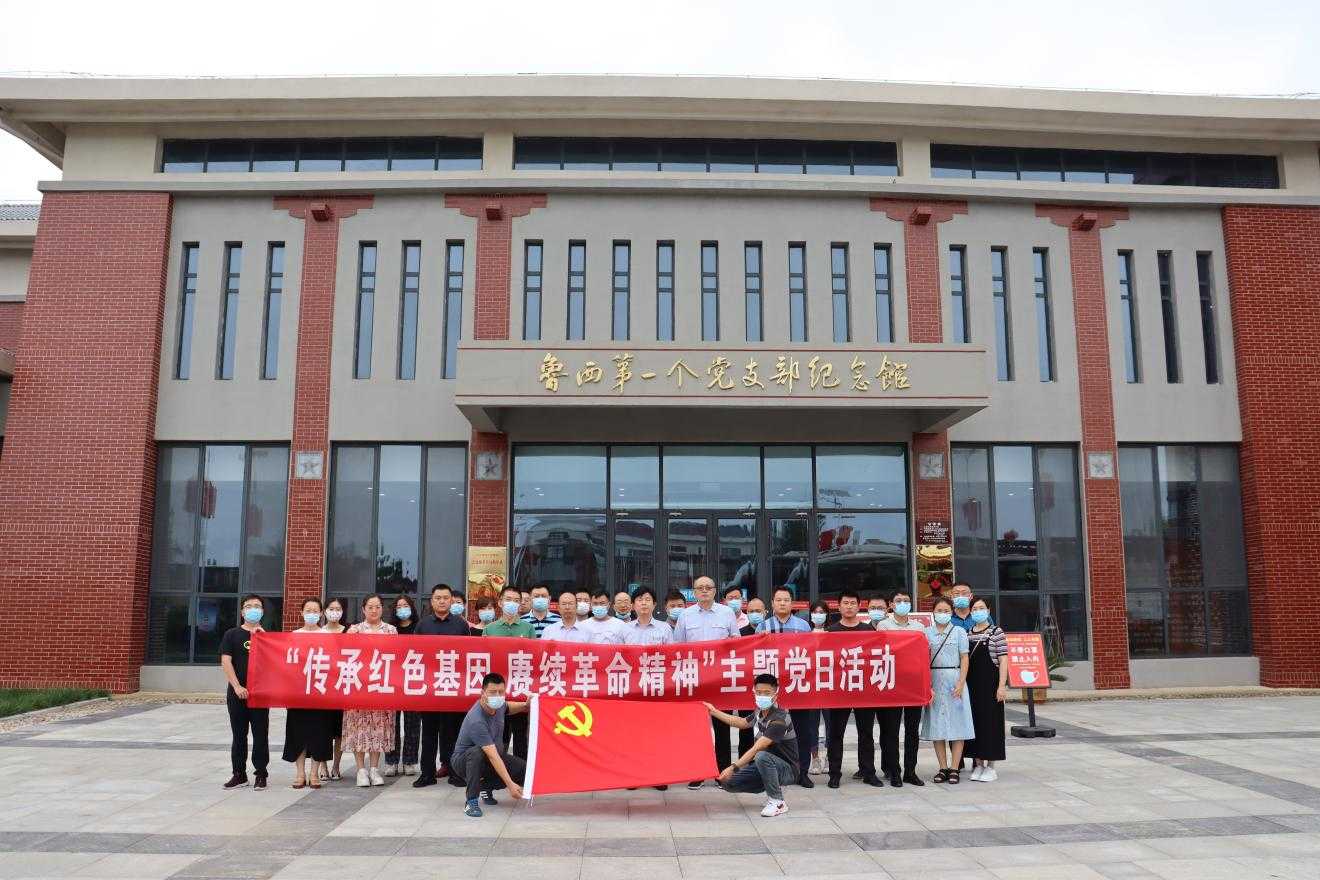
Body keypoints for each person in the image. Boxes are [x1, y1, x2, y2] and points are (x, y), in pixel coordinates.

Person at [676, 575, 742, 788]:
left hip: (721, 678)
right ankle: (697, 772)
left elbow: (737, 643)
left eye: (708, 587)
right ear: (694, 592)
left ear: (714, 591)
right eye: (700, 588)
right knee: (697, 728)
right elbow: (678, 648)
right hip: (695, 679)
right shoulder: (685, 615)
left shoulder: (727, 613)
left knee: (722, 726)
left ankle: (721, 772)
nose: (704, 591)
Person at [705, 673, 798, 818]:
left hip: (788, 770)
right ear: (754, 692)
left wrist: (733, 767)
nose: (762, 696)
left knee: (761, 756)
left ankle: (777, 801)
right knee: (728, 783)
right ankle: (772, 787)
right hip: (766, 765)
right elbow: (741, 722)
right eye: (759, 692)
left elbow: (756, 749)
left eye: (767, 693)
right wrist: (713, 711)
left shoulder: (780, 719)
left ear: (775, 695)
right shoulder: (759, 712)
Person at [413, 584, 473, 789]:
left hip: (452, 686)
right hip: (429, 687)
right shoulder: (422, 625)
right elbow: (414, 654)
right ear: (432, 601)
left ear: (451, 600)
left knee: (452, 733)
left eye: (446, 598)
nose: (442, 601)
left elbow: (467, 655)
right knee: (428, 733)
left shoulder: (461, 625)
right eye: (438, 598)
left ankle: (454, 772)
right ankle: (427, 774)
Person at [756, 587, 814, 787]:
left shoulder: (803, 626)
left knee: (802, 731)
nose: (782, 603)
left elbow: (811, 654)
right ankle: (775, 773)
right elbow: (755, 656)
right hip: (773, 690)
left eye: (786, 600)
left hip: (798, 686)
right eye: (778, 600)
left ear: (792, 603)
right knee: (773, 733)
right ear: (772, 603)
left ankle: (803, 772)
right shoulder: (762, 627)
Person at [824, 589, 881, 788]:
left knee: (866, 733)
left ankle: (868, 772)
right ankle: (834, 774)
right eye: (845, 603)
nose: (849, 607)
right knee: (835, 734)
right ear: (838, 606)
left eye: (852, 603)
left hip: (863, 689)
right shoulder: (830, 631)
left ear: (859, 606)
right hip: (839, 690)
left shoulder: (869, 631)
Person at [451, 672, 528, 818]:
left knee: (523, 770)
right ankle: (471, 802)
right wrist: (510, 784)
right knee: (477, 753)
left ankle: (486, 787)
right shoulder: (477, 720)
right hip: (464, 762)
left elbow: (508, 707)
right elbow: (493, 756)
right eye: (493, 692)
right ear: (483, 693)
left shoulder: (498, 706)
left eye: (501, 692)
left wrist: (526, 705)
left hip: (491, 756)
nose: (497, 696)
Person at [344, 595, 397, 787]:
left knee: (379, 727)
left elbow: (396, 657)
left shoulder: (391, 631)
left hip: (381, 686)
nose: (374, 610)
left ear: (382, 608)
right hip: (358, 686)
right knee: (358, 727)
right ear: (363, 609)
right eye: (370, 607)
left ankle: (374, 769)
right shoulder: (354, 630)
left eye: (377, 607)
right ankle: (360, 769)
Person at [921, 597, 974, 784]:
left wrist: (961, 682)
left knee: (958, 724)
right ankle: (942, 767)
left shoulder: (959, 632)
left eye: (946, 611)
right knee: (937, 725)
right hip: (934, 680)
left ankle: (954, 768)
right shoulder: (926, 633)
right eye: (939, 611)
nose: (942, 614)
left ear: (951, 612)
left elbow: (964, 658)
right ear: (933, 613)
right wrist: (927, 686)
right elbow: (922, 659)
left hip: (954, 679)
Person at [220, 594, 270, 790]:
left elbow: (274, 663)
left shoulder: (267, 636)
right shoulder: (231, 634)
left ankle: (261, 774)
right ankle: (239, 774)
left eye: (257, 606)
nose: (253, 609)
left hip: (260, 694)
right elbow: (226, 661)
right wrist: (237, 686)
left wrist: (263, 637)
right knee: (239, 735)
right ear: (242, 611)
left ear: (262, 612)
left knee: (260, 735)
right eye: (249, 606)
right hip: (237, 694)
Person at [877, 591, 925, 786]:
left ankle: (910, 771)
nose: (903, 603)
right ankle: (894, 771)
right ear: (891, 604)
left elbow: (923, 655)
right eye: (898, 601)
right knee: (891, 730)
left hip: (914, 683)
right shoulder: (883, 625)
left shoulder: (919, 627)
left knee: (912, 729)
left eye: (906, 600)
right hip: (892, 682)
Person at [283, 598, 331, 789]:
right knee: (298, 734)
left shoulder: (327, 636)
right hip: (298, 693)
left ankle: (314, 773)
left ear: (321, 614)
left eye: (315, 611)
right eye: (308, 610)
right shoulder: (294, 635)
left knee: (319, 733)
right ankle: (300, 773)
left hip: (320, 692)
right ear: (302, 613)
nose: (312, 614)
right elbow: (287, 664)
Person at [484, 586, 535, 759]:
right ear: (500, 602)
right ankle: (497, 769)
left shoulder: (528, 628)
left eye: (516, 600)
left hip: (521, 688)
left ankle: (521, 770)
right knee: (499, 734)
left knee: (521, 736)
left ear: (520, 604)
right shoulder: (490, 629)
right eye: (508, 599)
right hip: (498, 690)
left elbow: (534, 659)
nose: (512, 603)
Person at [963, 597, 1008, 782]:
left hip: (991, 687)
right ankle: (978, 764)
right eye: (974, 608)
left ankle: (991, 767)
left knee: (991, 725)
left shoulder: (996, 632)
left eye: (981, 608)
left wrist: (1001, 686)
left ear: (988, 610)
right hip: (971, 688)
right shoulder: (967, 633)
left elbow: (1003, 660)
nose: (977, 611)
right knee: (974, 725)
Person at [385, 594, 421, 777]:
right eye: (399, 606)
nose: (402, 609)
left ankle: (410, 761)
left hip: (413, 680)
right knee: (392, 723)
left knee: (412, 724)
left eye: (405, 605)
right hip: (392, 680)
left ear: (412, 607)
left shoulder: (419, 628)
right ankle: (391, 761)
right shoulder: (389, 629)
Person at [319, 597, 348, 782]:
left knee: (339, 731)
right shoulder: (318, 633)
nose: (334, 612)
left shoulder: (349, 631)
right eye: (331, 608)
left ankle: (336, 766)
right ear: (324, 611)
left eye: (338, 609)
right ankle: (322, 766)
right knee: (323, 729)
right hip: (323, 687)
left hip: (342, 687)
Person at [804, 599, 830, 776]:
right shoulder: (805, 633)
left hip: (829, 685)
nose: (818, 615)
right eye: (815, 612)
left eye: (822, 612)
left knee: (831, 723)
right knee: (811, 724)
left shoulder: (833, 632)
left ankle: (829, 756)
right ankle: (814, 758)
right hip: (811, 685)